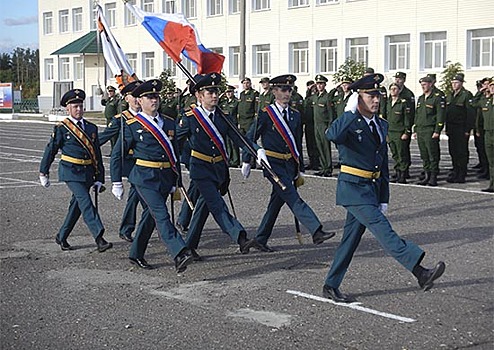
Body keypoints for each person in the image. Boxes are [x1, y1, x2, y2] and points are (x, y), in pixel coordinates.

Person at [322, 73, 445, 303]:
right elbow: (332, 135)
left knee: (349, 241)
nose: (376, 100)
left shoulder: (381, 124)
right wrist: (349, 112)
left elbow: (382, 163)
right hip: (353, 189)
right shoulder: (350, 121)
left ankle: (330, 285)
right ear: (358, 97)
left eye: (378, 95)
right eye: (370, 95)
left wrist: (384, 196)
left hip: (371, 188)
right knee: (383, 229)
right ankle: (421, 272)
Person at [241, 74, 336, 251]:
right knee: (292, 197)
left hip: (289, 164)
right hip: (273, 165)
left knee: (276, 202)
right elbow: (250, 137)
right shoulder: (266, 114)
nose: (287, 93)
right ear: (274, 91)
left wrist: (299, 167)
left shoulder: (295, 115)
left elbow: (297, 142)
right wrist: (248, 159)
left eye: (289, 90)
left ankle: (260, 239)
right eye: (283, 90)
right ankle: (316, 230)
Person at [177, 73, 265, 259]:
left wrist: (256, 150)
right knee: (216, 204)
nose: (214, 95)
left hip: (219, 169)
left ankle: (189, 248)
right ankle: (240, 237)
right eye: (209, 92)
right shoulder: (190, 118)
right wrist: (173, 167)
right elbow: (175, 143)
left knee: (203, 206)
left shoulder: (223, 117)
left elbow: (239, 138)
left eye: (216, 91)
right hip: (200, 169)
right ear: (199, 95)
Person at [111, 79, 192, 272]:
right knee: (162, 214)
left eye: (156, 96)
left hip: (164, 177)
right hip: (144, 177)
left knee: (150, 217)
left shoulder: (169, 123)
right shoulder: (132, 125)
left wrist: (176, 180)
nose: (154, 100)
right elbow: (117, 154)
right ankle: (179, 252)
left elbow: (175, 153)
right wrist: (116, 182)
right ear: (139, 100)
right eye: (149, 97)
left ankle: (136, 253)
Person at [39, 89, 112, 252]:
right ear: (68, 109)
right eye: (75, 107)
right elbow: (50, 150)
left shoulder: (91, 128)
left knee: (77, 206)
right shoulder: (62, 128)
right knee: (85, 202)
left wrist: (100, 177)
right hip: (70, 171)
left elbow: (97, 154)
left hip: (87, 172)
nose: (78, 109)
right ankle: (99, 237)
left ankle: (62, 236)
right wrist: (44, 172)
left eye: (80, 106)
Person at [99, 80, 143, 242]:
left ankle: (127, 228)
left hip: (149, 164)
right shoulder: (121, 119)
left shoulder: (151, 117)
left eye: (140, 96)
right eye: (135, 96)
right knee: (145, 196)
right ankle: (157, 225)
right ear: (126, 99)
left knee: (137, 195)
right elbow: (104, 137)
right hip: (132, 164)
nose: (138, 99)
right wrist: (85, 145)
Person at [414, 75, 446, 186]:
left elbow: (440, 116)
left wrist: (437, 130)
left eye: (425, 84)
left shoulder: (437, 98)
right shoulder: (421, 98)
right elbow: (417, 115)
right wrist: (415, 129)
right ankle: (426, 175)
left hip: (430, 130)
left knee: (433, 154)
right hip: (421, 130)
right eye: (422, 85)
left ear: (431, 84)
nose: (423, 87)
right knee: (424, 154)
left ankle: (433, 176)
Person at [445, 74, 475, 183]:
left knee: (461, 151)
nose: (454, 85)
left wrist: (468, 129)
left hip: (461, 128)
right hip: (452, 128)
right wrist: (447, 128)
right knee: (453, 151)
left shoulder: (466, 95)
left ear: (461, 83)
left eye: (456, 83)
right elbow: (447, 114)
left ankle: (462, 173)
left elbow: (470, 113)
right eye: (452, 83)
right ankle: (455, 171)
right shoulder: (450, 96)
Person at [385, 82, 412, 184]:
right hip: (390, 132)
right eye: (391, 89)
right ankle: (397, 172)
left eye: (395, 89)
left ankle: (403, 175)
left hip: (400, 132)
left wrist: (406, 132)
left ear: (399, 90)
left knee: (402, 154)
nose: (393, 91)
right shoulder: (388, 103)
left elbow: (407, 119)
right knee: (395, 154)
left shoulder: (403, 103)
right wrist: (386, 133)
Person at [394, 72, 415, 179]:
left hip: (404, 126)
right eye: (396, 78)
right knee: (396, 151)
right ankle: (398, 170)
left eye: (400, 79)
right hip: (394, 127)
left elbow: (410, 113)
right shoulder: (393, 93)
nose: (397, 81)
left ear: (404, 80)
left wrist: (408, 129)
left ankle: (405, 170)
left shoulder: (408, 94)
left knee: (404, 150)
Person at [312, 74, 334, 177]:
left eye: (321, 84)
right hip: (316, 124)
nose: (319, 86)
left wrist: (329, 126)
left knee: (326, 147)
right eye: (318, 84)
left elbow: (330, 113)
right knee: (319, 146)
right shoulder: (315, 97)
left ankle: (328, 168)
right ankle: (323, 167)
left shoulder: (327, 97)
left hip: (324, 125)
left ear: (325, 85)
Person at [476, 78, 494, 192]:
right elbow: (473, 103)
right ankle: (492, 185)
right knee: (491, 162)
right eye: (490, 86)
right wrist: (481, 90)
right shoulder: (486, 101)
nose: (491, 88)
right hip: (488, 133)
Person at [219, 85, 240, 167]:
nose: (228, 94)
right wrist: (221, 94)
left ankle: (235, 160)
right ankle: (229, 159)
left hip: (233, 124)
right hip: (225, 124)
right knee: (227, 143)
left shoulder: (236, 102)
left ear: (233, 92)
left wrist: (238, 124)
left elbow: (239, 113)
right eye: (227, 92)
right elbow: (217, 103)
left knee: (233, 143)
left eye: (230, 92)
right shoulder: (224, 102)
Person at [303, 80, 320, 170]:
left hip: (315, 123)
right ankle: (311, 161)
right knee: (309, 144)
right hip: (308, 123)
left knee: (315, 144)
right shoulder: (308, 98)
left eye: (313, 86)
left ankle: (317, 162)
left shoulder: (317, 97)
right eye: (309, 86)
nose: (312, 88)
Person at [101, 85, 120, 154]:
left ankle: (114, 151)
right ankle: (112, 151)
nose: (110, 93)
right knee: (110, 137)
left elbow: (118, 111)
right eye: (109, 91)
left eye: (111, 91)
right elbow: (103, 102)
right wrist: (103, 95)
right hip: (108, 120)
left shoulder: (116, 100)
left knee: (114, 137)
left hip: (113, 120)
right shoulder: (109, 100)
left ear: (114, 92)